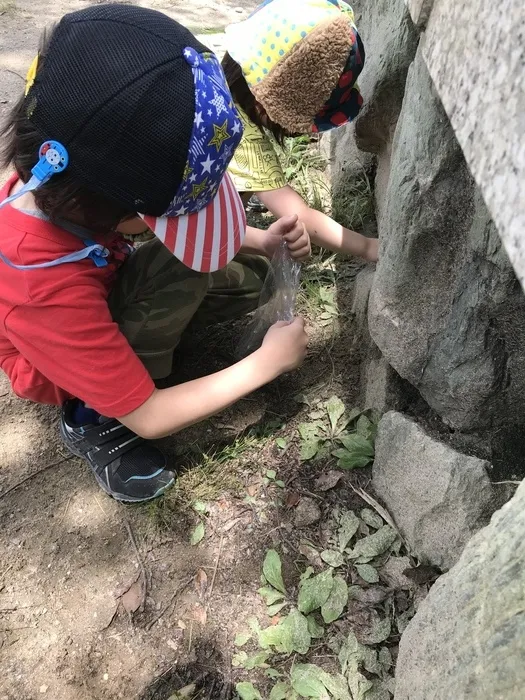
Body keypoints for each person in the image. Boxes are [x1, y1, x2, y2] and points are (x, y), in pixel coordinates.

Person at [0, 4, 309, 504]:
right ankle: (92, 419)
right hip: (57, 362)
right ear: (109, 209)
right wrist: (266, 364)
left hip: (103, 282)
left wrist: (264, 241)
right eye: (167, 218)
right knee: (134, 402)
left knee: (252, 276)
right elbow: (151, 415)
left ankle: (143, 346)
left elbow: (138, 226)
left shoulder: (70, 184)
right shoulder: (39, 287)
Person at [222, 0, 378, 263]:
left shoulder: (214, 81)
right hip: (161, 231)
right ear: (266, 108)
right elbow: (299, 215)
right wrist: (367, 247)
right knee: (254, 276)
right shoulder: (241, 137)